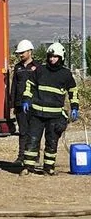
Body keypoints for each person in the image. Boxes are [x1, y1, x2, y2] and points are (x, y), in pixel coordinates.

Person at [21, 42, 79, 175]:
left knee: (52, 142)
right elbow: (30, 86)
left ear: (61, 58)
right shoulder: (40, 70)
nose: (52, 59)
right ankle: (28, 168)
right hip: (37, 113)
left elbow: (73, 92)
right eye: (50, 56)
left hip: (55, 115)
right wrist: (26, 100)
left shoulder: (66, 74)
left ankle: (49, 168)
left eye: (55, 57)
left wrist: (75, 107)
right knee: (32, 140)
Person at [9, 39, 38, 164]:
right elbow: (14, 85)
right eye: (19, 53)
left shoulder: (38, 67)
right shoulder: (18, 67)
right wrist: (12, 104)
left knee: (34, 131)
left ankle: (34, 156)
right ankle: (21, 157)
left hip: (34, 104)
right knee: (22, 131)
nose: (21, 55)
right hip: (20, 104)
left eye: (23, 52)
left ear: (30, 51)